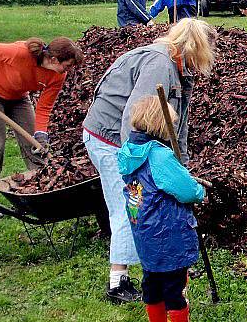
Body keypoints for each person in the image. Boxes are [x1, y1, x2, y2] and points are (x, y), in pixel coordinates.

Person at [83, 18, 215, 304]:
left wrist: (182, 167)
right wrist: (133, 164)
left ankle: (149, 271)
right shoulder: (160, 65)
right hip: (111, 138)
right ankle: (118, 283)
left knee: (138, 204)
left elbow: (178, 124)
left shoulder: (181, 71)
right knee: (130, 205)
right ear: (193, 48)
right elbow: (135, 117)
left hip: (129, 140)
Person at [0, 37, 83, 219]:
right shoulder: (20, 53)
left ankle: (42, 194)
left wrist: (41, 134)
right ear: (54, 59)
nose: (68, 70)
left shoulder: (58, 75)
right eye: (67, 65)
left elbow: (44, 107)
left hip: (18, 96)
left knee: (34, 144)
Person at [118, 95, 206, 322]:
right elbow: (186, 190)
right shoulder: (160, 156)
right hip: (167, 229)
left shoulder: (129, 150)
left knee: (152, 280)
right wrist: (200, 191)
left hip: (144, 228)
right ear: (160, 125)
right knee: (173, 283)